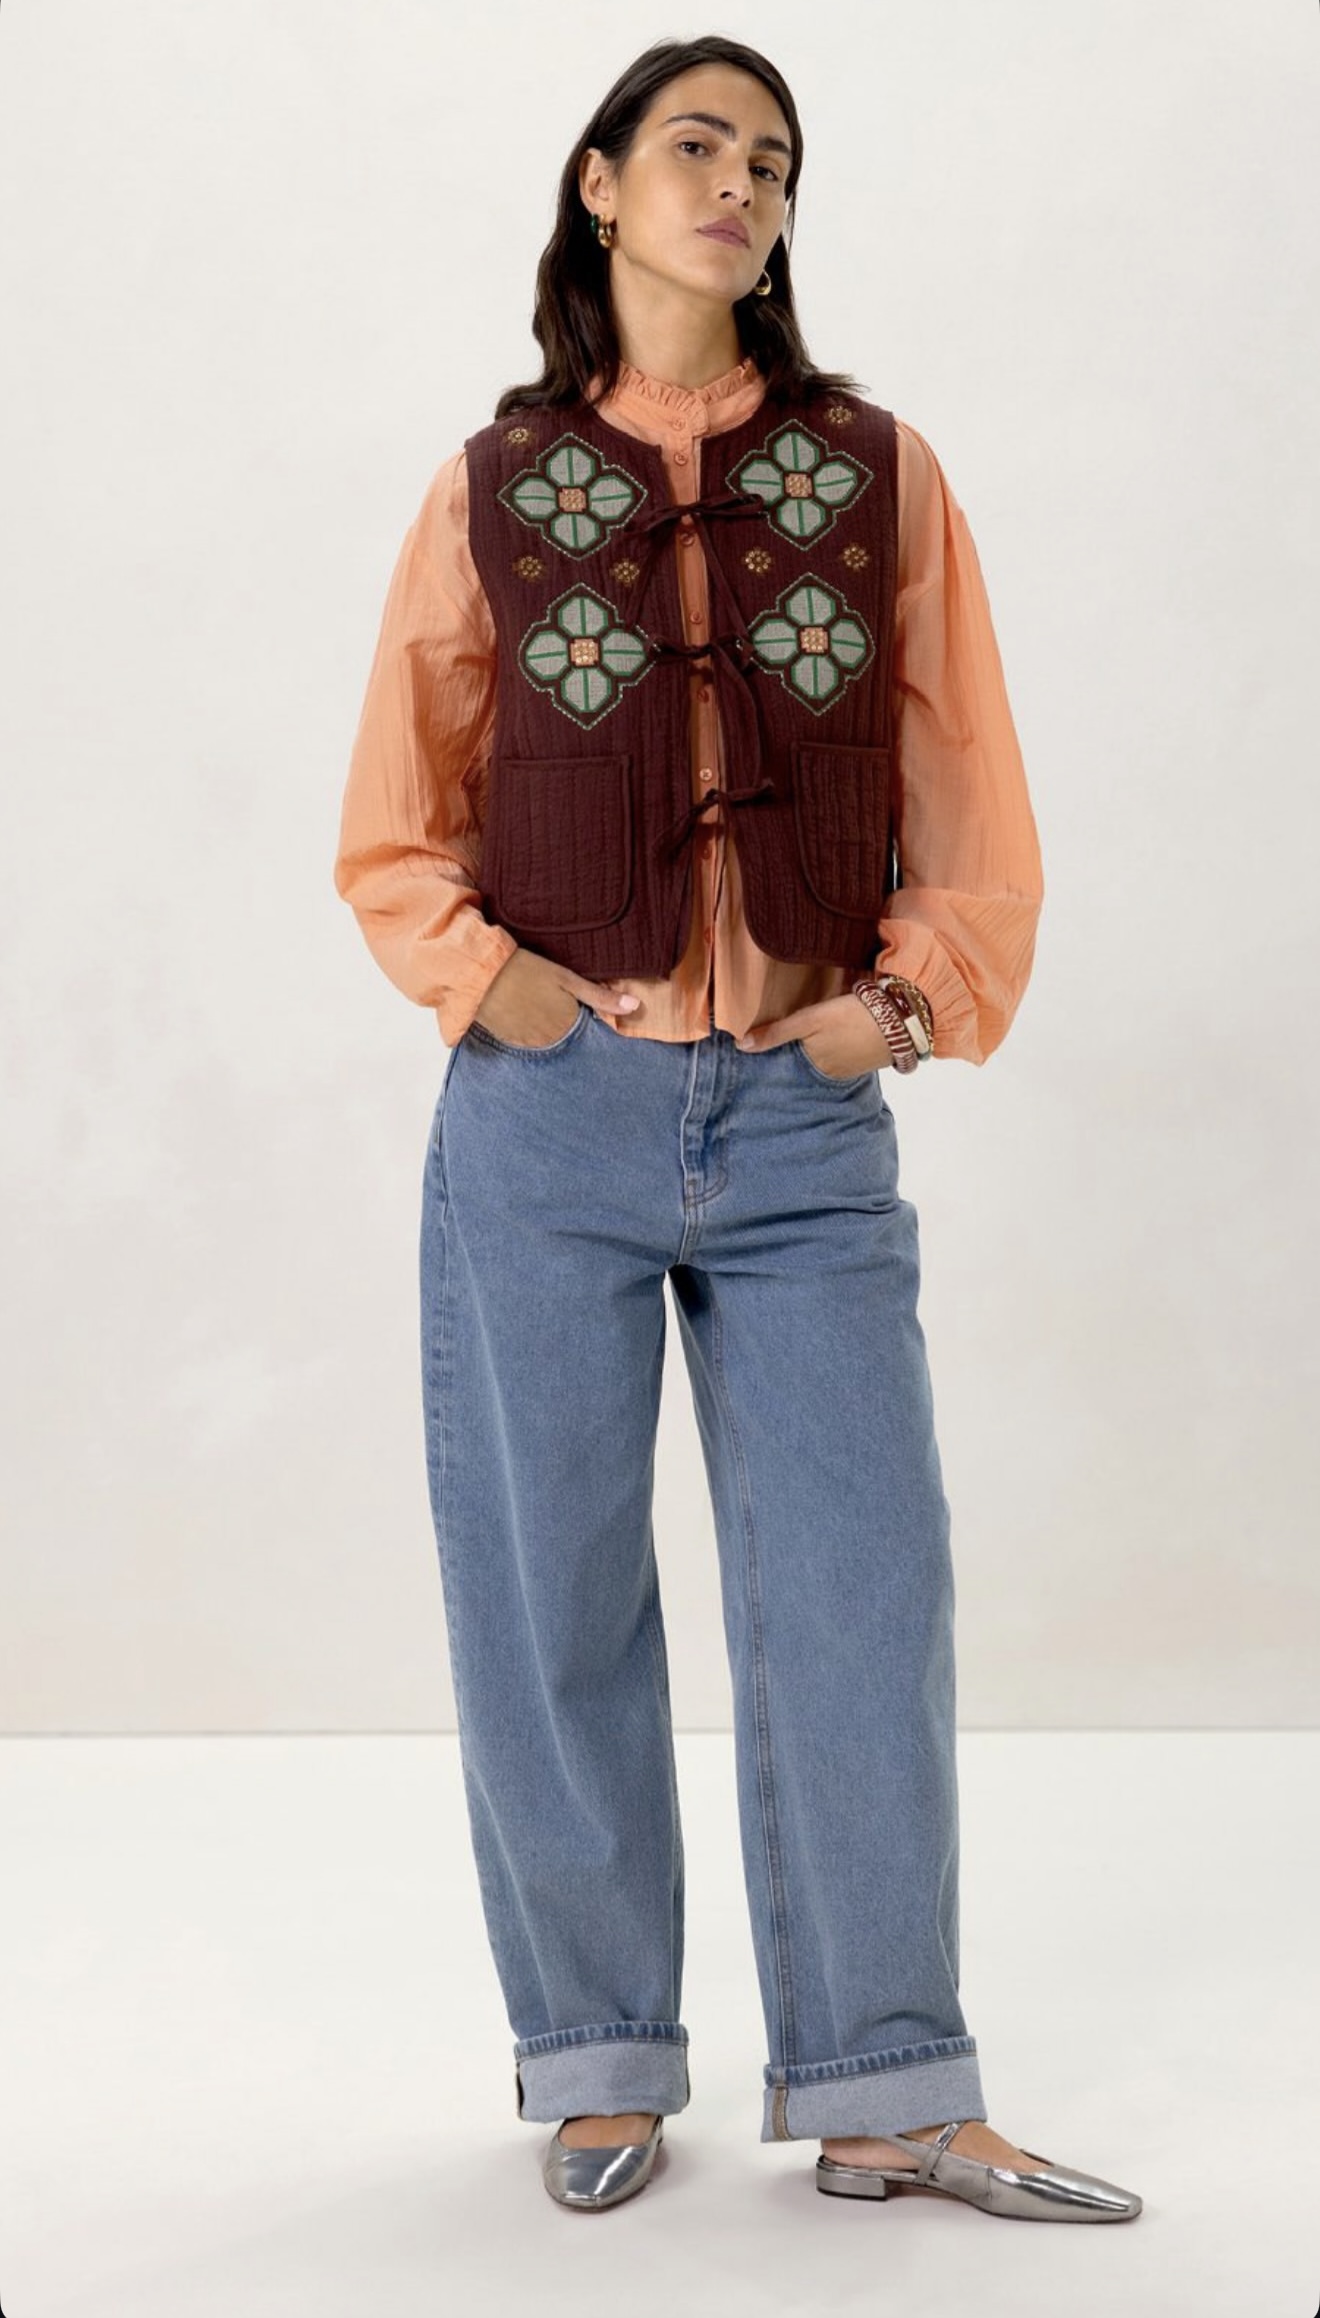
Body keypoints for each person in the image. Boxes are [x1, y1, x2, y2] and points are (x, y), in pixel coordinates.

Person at [333, 34, 1143, 2225]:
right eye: (698, 146)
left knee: (862, 1589)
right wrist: (486, 980)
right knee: (553, 1596)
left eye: (774, 164)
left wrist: (904, 1007)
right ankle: (598, 2056)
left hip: (801, 1122)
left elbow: (968, 774)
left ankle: (889, 2083)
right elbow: (397, 810)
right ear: (601, 183)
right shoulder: (494, 484)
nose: (742, 186)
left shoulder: (876, 474)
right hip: (546, 1117)